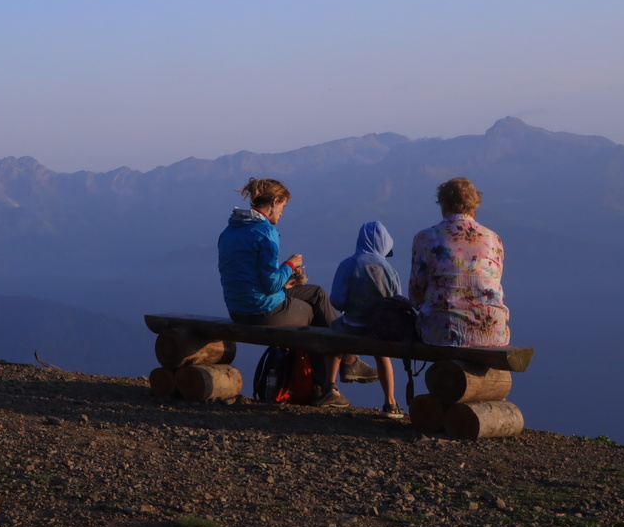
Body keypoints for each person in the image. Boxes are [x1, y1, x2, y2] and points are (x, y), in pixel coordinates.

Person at [217, 177, 373, 407]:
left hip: (237, 309)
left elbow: (251, 277)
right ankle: (327, 383)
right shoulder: (265, 231)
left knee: (316, 293)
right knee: (313, 312)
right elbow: (270, 285)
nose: (282, 213)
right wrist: (290, 265)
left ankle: (342, 366)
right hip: (262, 311)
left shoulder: (229, 231)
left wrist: (287, 283)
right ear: (275, 201)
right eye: (282, 206)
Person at [409, 177, 510, 347]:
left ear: (443, 204)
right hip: (492, 331)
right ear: (475, 205)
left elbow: (416, 293)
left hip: (443, 331)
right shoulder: (494, 239)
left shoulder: (426, 238)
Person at [330, 221, 404, 418]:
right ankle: (390, 403)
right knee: (383, 356)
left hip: (351, 326)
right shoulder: (388, 269)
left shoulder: (347, 264)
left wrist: (348, 308)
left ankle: (331, 386)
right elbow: (397, 301)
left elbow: (336, 300)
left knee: (334, 331)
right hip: (378, 330)